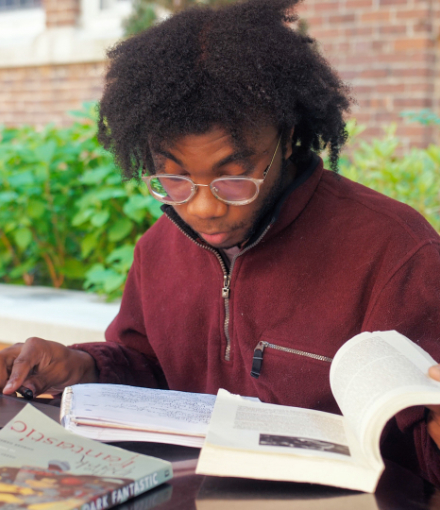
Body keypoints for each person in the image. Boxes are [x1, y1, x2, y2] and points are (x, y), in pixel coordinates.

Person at [2, 0, 440, 486]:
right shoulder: (158, 249)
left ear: (288, 139)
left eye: (234, 177)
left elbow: (420, 440)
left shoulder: (395, 251)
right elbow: (147, 368)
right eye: (174, 176)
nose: (204, 208)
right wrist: (80, 366)